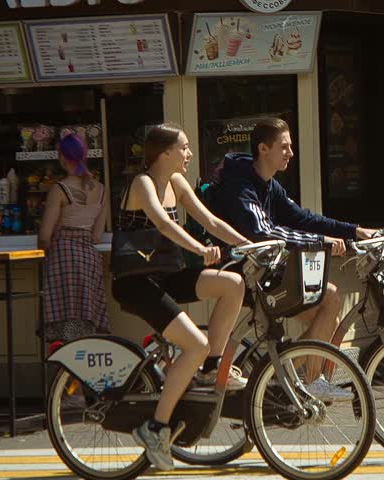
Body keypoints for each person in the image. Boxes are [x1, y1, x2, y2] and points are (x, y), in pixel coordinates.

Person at [112, 123, 251, 471]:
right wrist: (199, 249)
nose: (189, 154)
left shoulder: (176, 182)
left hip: (166, 277)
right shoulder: (143, 183)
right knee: (193, 343)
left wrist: (251, 246)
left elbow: (210, 220)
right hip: (137, 283)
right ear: (164, 153)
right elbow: (163, 225)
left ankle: (209, 368)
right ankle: (155, 428)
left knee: (233, 284)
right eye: (184, 148)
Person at [211, 117, 377, 400]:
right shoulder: (240, 185)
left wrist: (354, 230)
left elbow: (303, 219)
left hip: (264, 269)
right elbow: (263, 233)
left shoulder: (269, 185)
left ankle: (285, 380)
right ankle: (287, 378)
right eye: (284, 146)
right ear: (264, 149)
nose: (290, 153)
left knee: (327, 313)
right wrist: (320, 242)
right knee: (330, 298)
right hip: (245, 272)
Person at [39, 133, 109, 342]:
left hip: (63, 257)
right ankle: (84, 365)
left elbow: (45, 235)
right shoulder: (101, 189)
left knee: (65, 319)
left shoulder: (59, 189)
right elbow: (97, 236)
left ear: (61, 157)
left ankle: (68, 367)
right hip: (89, 258)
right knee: (85, 319)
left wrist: (42, 248)